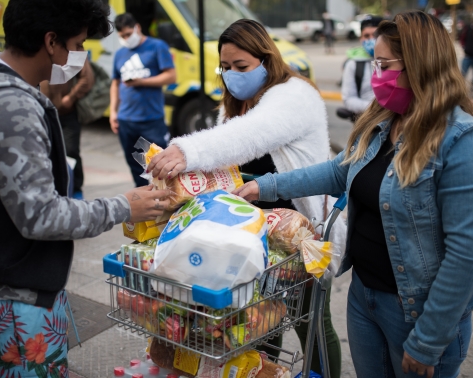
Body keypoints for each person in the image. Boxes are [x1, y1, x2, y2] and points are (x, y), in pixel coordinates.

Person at [236, 11, 473, 378]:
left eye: (384, 64)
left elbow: (467, 255)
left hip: (417, 313)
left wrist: (428, 340)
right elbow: (337, 171)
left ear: (419, 65)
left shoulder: (463, 142)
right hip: (364, 298)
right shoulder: (383, 121)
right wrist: (265, 186)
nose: (376, 74)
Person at [0, 0, 170, 376]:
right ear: (50, 41)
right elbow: (41, 216)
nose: (78, 56)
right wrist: (125, 206)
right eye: (76, 45)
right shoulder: (11, 106)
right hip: (7, 297)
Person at [147, 19, 347, 378]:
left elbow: (249, 136)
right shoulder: (235, 103)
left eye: (241, 67)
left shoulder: (293, 95)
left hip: (301, 233)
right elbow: (228, 162)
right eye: (225, 67)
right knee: (258, 320)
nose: (232, 75)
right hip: (256, 235)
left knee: (312, 323)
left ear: (267, 60)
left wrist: (187, 151)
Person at [109, 13, 176, 187]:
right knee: (135, 166)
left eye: (128, 34)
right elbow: (115, 84)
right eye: (122, 36)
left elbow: (170, 76)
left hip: (151, 120)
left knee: (160, 164)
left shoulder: (156, 46)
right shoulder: (120, 54)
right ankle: (144, 199)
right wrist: (113, 112)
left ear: (137, 28)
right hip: (126, 120)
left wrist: (141, 82)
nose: (126, 39)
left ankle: (164, 198)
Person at [40, 59, 94, 199]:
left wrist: (71, 97)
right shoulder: (38, 51)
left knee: (71, 151)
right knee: (43, 152)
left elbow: (87, 78)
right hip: (41, 113)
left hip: (66, 114)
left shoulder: (70, 50)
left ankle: (75, 191)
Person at [340, 15, 383, 118]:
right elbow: (348, 99)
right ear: (361, 39)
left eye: (375, 35)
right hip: (367, 122)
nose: (371, 40)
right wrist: (377, 109)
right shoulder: (353, 64)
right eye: (366, 36)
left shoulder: (397, 61)